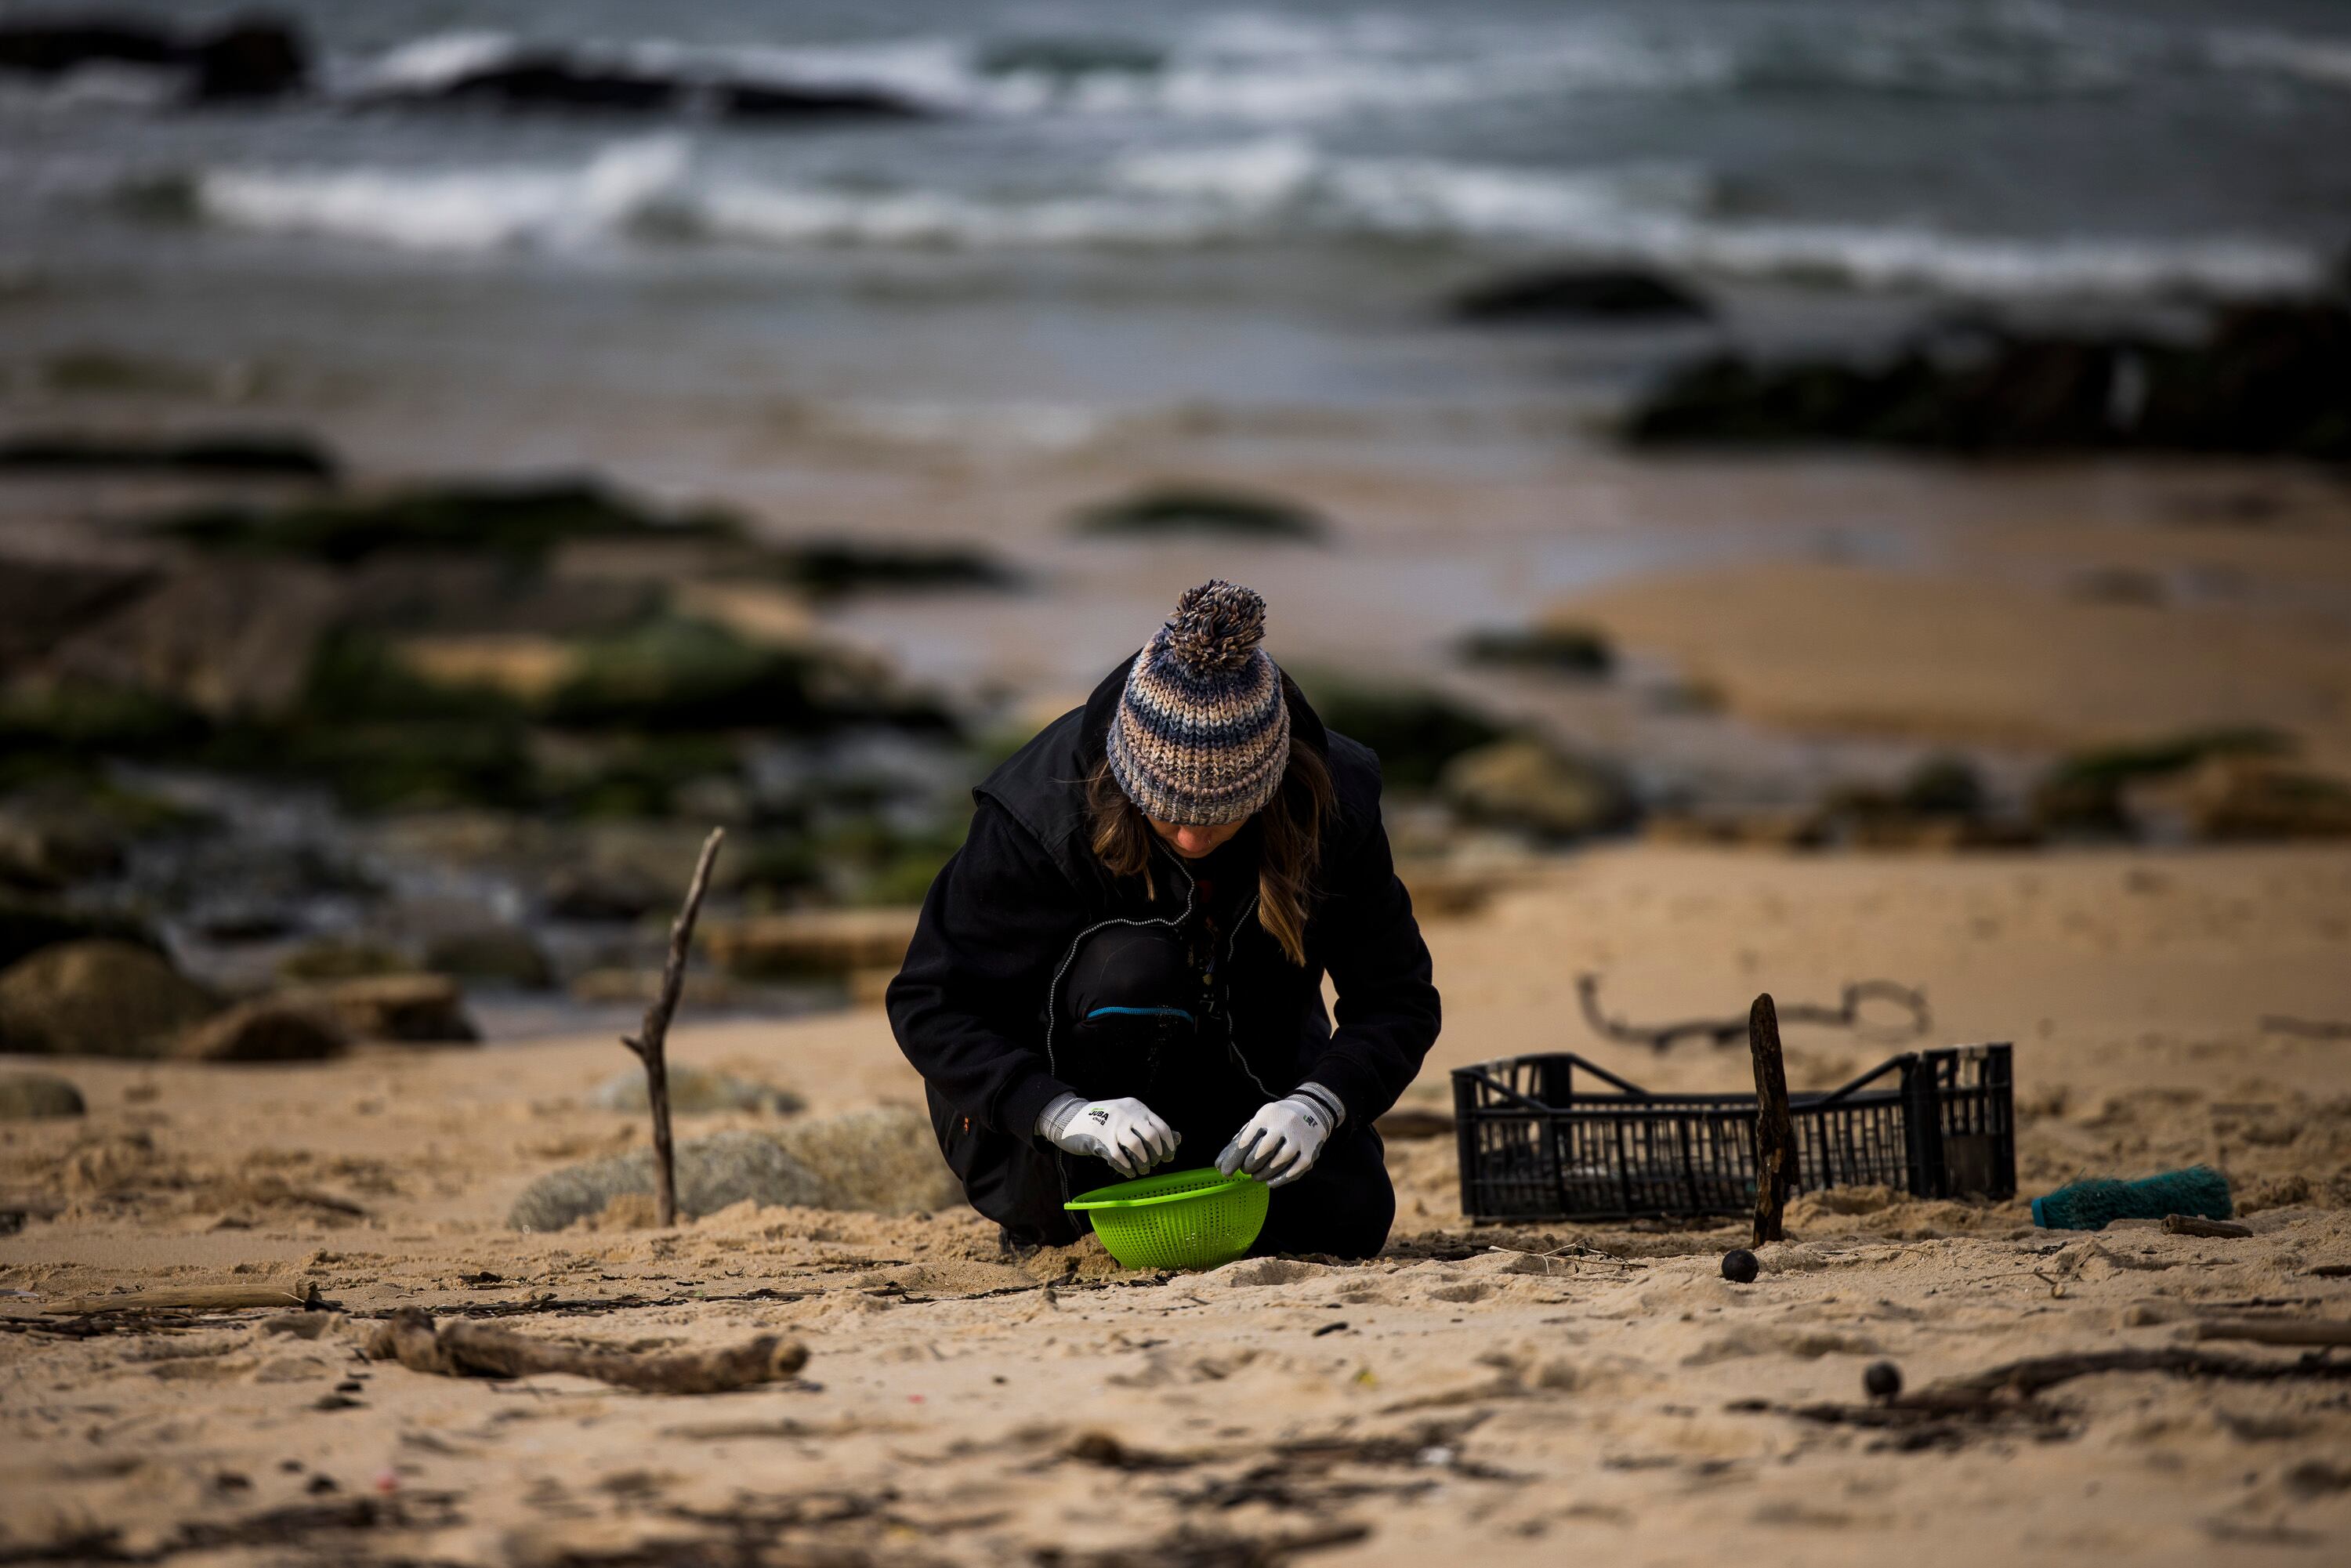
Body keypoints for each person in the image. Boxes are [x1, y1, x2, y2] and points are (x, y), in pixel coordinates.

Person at [886, 580, 1440, 1259]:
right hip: (1046, 1112)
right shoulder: (1039, 813)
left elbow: (1398, 997)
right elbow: (930, 1002)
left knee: (1349, 1223)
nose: (1189, 839)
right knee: (1136, 966)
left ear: (1267, 790)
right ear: (1126, 779)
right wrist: (1058, 1112)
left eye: (1219, 818)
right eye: (1167, 812)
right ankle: (1068, 1208)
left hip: (1242, 1070)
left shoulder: (1336, 806)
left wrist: (1321, 1103)